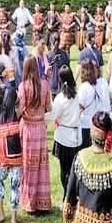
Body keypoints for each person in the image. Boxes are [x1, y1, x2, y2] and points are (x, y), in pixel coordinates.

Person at [0, 62, 23, 223]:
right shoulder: (12, 91)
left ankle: (1, 212)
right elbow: (18, 109)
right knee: (15, 179)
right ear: (4, 74)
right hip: (14, 135)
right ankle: (14, 217)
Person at [17, 55, 53, 215]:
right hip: (41, 127)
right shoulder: (45, 85)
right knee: (41, 166)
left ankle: (29, 202)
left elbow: (20, 109)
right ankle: (43, 203)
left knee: (28, 165)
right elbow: (49, 107)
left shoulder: (23, 86)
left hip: (28, 129)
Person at [47, 65, 82, 199]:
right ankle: (74, 193)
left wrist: (40, 116)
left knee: (64, 169)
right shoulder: (77, 95)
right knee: (74, 168)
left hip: (63, 137)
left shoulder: (61, 99)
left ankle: (67, 195)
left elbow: (53, 116)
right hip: (76, 137)